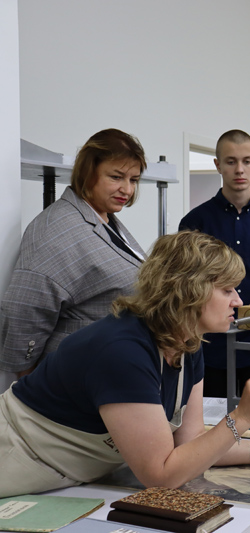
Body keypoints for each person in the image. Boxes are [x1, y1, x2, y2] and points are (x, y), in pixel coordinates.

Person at [0, 231, 250, 498]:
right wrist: (242, 417)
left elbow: (192, 446)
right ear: (189, 290)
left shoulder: (188, 343)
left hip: (63, 475)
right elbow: (161, 476)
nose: (238, 301)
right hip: (14, 458)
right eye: (227, 289)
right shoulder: (123, 351)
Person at [0, 129, 147, 378]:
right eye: (116, 177)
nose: (127, 189)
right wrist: (29, 381)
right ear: (88, 172)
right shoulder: (57, 227)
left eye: (133, 180)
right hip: (73, 379)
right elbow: (23, 309)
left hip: (109, 372)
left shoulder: (104, 219)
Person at [179, 130, 250, 398]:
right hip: (211, 344)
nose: (240, 169)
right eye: (231, 161)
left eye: (246, 161)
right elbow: (188, 286)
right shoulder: (195, 221)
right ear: (218, 165)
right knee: (210, 416)